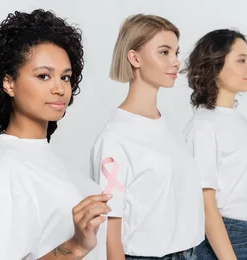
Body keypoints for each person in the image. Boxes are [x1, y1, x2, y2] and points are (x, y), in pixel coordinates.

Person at [0, 9, 109, 260]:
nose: (59, 88)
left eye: (65, 77)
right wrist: (77, 245)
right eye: (43, 76)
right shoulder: (5, 169)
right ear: (9, 83)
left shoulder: (38, 154)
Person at [89, 14, 204, 260]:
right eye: (164, 52)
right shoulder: (115, 138)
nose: (176, 62)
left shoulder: (169, 127)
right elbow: (110, 231)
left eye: (176, 52)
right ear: (135, 57)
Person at [180, 29, 247, 259]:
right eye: (241, 60)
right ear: (214, 65)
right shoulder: (203, 126)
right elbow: (205, 206)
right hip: (227, 239)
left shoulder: (240, 121)